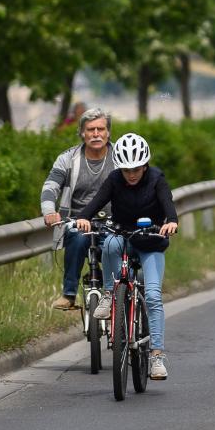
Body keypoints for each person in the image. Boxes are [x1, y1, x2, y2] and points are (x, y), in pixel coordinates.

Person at [75, 133, 180, 380]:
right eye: (126, 170)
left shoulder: (157, 179)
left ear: (145, 165)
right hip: (122, 235)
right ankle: (110, 294)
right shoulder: (114, 180)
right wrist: (83, 217)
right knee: (110, 242)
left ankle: (155, 356)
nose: (131, 174)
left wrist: (171, 223)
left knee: (153, 296)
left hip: (151, 240)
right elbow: (97, 201)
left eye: (136, 169)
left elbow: (169, 207)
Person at [41, 107, 115, 310]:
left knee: (115, 245)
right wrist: (49, 211)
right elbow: (50, 187)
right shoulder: (68, 159)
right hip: (78, 222)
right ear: (82, 132)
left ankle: (118, 294)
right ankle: (69, 294)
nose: (96, 134)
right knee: (77, 236)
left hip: (114, 223)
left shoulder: (120, 157)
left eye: (101, 129)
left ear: (108, 132)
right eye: (91, 129)